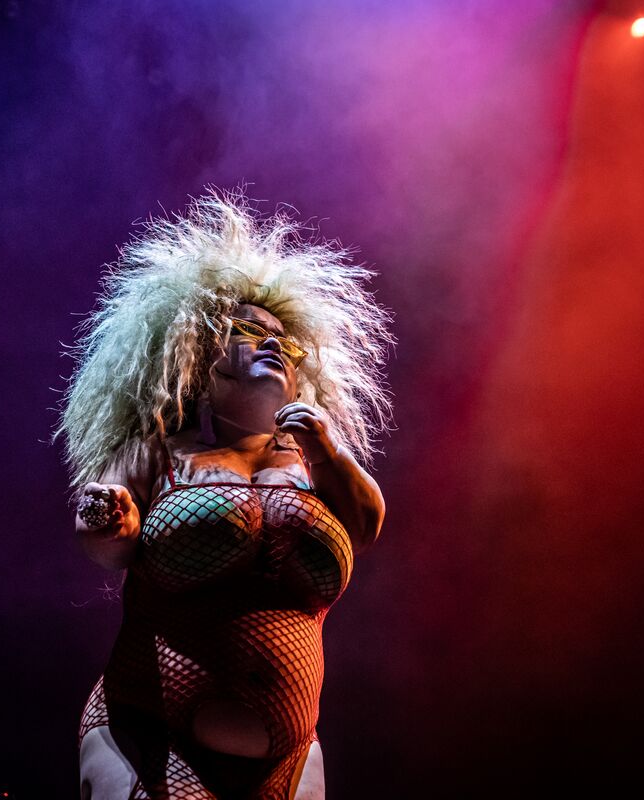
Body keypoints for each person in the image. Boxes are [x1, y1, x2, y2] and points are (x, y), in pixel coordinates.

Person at [55, 190, 394, 799]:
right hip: (153, 738)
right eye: (247, 331)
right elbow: (106, 540)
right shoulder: (164, 447)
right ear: (200, 354)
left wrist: (328, 449)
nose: (271, 344)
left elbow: (366, 528)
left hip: (286, 757)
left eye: (284, 343)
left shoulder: (317, 464)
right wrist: (110, 521)